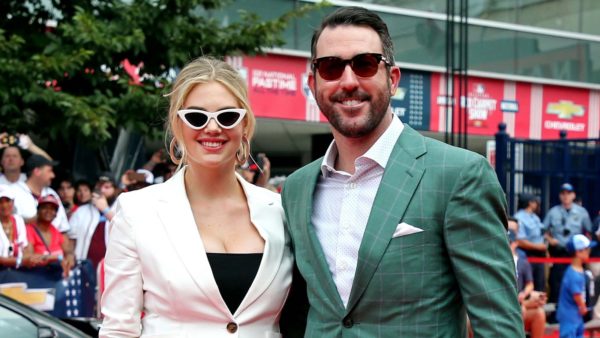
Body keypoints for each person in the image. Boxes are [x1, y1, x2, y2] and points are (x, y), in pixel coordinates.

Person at [280, 7, 523, 337]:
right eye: (331, 67)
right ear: (314, 83)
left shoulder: (459, 176)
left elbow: (498, 326)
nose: (348, 81)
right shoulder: (297, 189)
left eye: (364, 64)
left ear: (392, 78)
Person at [100, 57, 293, 337]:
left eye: (227, 116)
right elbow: (118, 329)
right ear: (177, 125)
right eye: (196, 117)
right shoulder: (137, 211)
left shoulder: (280, 211)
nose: (212, 128)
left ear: (245, 124)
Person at [545, 183, 593, 303]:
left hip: (576, 253)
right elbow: (543, 230)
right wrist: (551, 240)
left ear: (573, 195)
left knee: (576, 282)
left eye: (568, 193)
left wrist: (586, 249)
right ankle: (555, 312)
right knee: (556, 282)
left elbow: (590, 232)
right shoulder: (553, 212)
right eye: (563, 194)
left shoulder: (581, 212)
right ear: (560, 196)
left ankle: (580, 307)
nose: (565, 196)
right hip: (559, 252)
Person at [68, 174, 121, 269]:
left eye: (107, 187)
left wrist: (105, 210)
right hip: (85, 267)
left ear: (115, 190)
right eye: (99, 186)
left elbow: (128, 230)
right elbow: (70, 239)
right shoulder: (81, 211)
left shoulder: (123, 208)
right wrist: (70, 255)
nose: (102, 190)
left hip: (114, 269)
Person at [508, 219, 546, 338]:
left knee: (538, 310)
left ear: (515, 243)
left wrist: (525, 293)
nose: (508, 245)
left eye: (510, 242)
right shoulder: (494, 261)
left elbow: (530, 284)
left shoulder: (522, 262)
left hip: (518, 300)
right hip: (503, 303)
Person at [25, 195, 75, 277]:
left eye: (52, 209)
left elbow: (68, 250)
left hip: (56, 276)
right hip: (37, 275)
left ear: (56, 214)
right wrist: (52, 258)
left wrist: (70, 257)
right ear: (38, 210)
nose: (48, 211)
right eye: (45, 207)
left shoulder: (55, 231)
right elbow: (29, 257)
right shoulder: (29, 230)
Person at [557, 234, 594, 338]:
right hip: (569, 316)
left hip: (575, 315)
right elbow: (576, 294)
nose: (589, 252)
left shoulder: (579, 270)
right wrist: (583, 306)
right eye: (586, 249)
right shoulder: (573, 273)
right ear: (578, 252)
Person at [514, 193, 547, 291]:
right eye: (534, 201)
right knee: (528, 283)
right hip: (528, 255)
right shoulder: (519, 217)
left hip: (540, 256)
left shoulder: (535, 217)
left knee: (540, 285)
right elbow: (519, 240)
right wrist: (538, 247)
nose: (537, 204)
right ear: (530, 203)